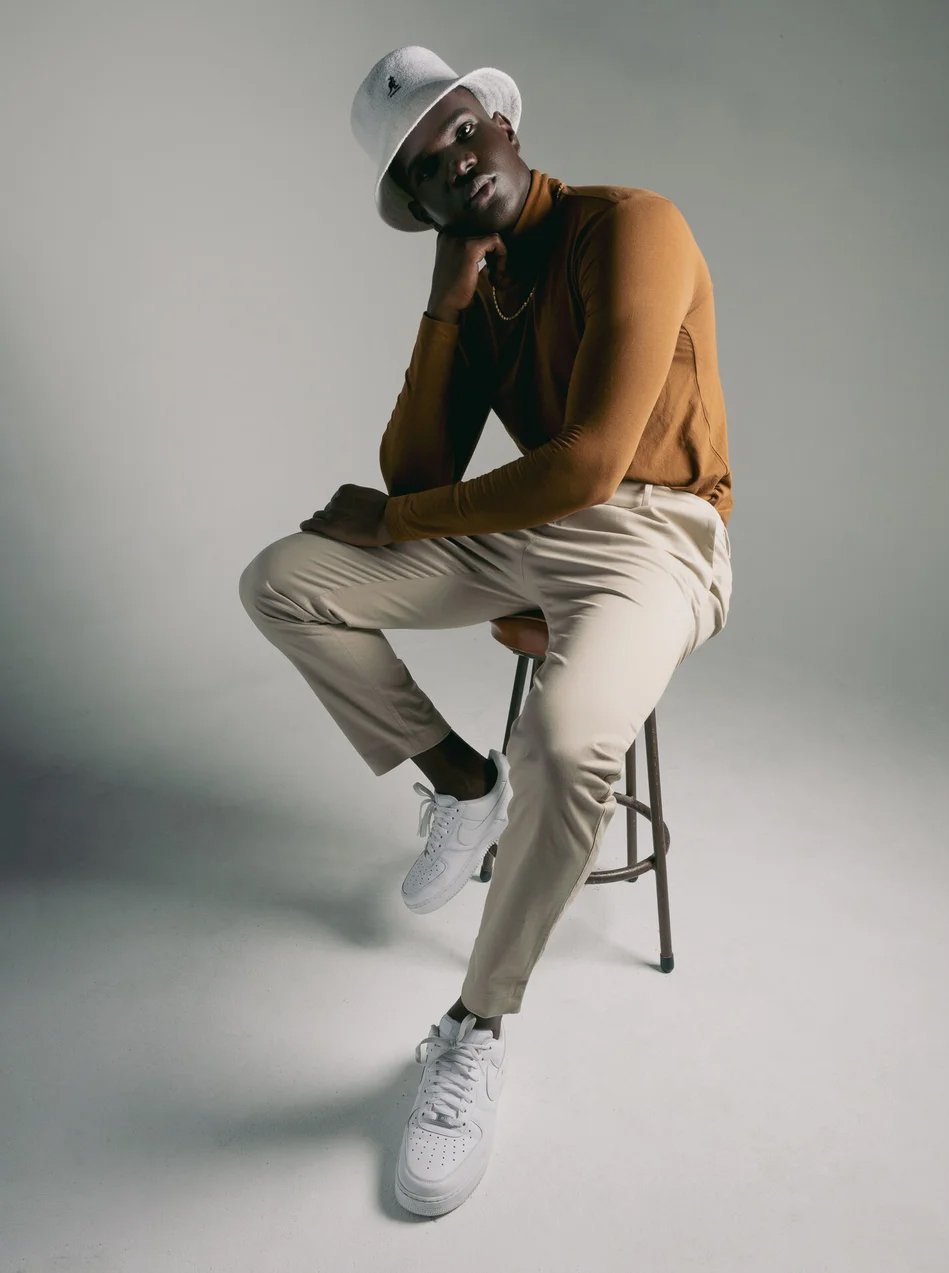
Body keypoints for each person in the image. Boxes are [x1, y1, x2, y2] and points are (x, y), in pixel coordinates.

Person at [238, 44, 734, 1217]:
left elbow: (593, 461)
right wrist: (443, 311)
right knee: (285, 578)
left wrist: (405, 520)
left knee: (566, 745)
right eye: (422, 169)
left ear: (500, 120)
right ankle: (460, 782)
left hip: (657, 535)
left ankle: (474, 1026)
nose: (453, 164)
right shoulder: (477, 277)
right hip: (528, 522)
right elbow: (415, 465)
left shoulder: (631, 225)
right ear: (416, 206)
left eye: (459, 131)